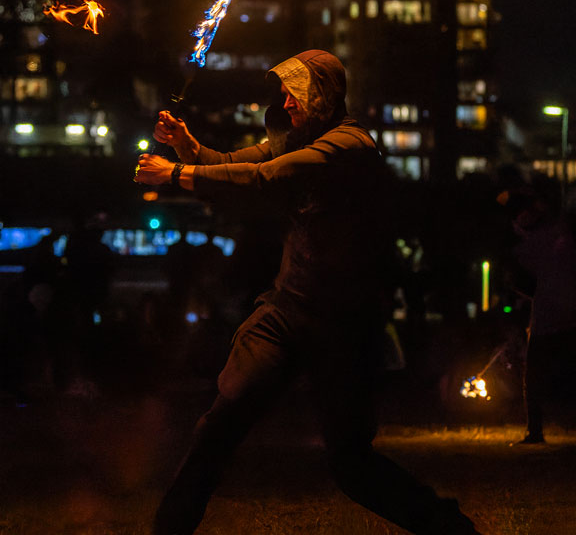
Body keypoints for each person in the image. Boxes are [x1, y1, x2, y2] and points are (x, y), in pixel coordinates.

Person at [135, 50, 482, 535]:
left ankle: (449, 528)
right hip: (285, 311)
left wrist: (173, 174)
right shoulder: (295, 138)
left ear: (321, 94)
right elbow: (232, 167)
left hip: (343, 325)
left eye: (293, 91)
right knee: (218, 427)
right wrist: (187, 146)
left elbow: (264, 179)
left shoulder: (348, 145)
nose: (284, 101)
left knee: (351, 465)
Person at [499, 186, 576, 444]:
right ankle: (535, 430)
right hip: (564, 317)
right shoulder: (559, 240)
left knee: (534, 376)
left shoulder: (533, 244)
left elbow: (521, 279)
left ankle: (535, 430)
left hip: (548, 321)